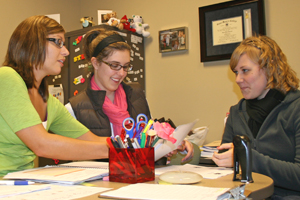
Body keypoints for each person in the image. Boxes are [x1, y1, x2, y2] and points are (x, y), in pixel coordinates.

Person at [0, 15, 109, 177]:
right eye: (58, 42)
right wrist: (115, 150)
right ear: (32, 43)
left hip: (22, 181)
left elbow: (91, 139)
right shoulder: (6, 77)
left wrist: (136, 145)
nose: (66, 51)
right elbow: (41, 144)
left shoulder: (49, 101)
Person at [65, 27, 194, 163]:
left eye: (126, 66)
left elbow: (148, 137)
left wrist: (171, 142)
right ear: (95, 63)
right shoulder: (74, 108)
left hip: (143, 180)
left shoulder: (136, 95)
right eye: (115, 65)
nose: (121, 73)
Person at [212, 35, 300, 199]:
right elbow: (225, 172)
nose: (238, 79)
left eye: (245, 70)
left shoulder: (295, 108)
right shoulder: (236, 113)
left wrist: (248, 159)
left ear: (270, 68)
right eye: (236, 72)